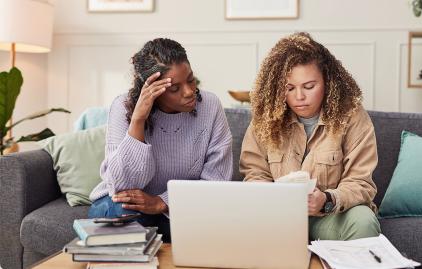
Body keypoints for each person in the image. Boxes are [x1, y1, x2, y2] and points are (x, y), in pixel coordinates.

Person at [88, 38, 233, 242]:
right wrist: (138, 120)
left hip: (185, 210)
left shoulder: (210, 106)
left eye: (191, 80)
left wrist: (163, 202)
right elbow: (122, 187)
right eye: (174, 88)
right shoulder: (123, 107)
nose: (189, 91)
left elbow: (217, 182)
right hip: (127, 209)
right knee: (120, 212)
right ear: (153, 91)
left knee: (218, 224)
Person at [240, 32, 380, 241]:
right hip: (278, 219)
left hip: (331, 216)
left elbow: (361, 182)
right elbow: (254, 172)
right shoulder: (266, 118)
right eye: (289, 88)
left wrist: (327, 200)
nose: (299, 97)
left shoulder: (352, 116)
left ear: (327, 82)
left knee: (363, 220)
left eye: (309, 86)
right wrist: (268, 195)